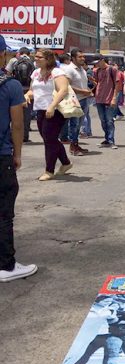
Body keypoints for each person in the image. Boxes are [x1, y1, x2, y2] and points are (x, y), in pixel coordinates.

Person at [0, 35, 38, 282]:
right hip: (1, 156)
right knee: (4, 213)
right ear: (3, 54)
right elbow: (17, 124)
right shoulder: (10, 85)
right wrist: (18, 154)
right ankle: (6, 265)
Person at [23, 49, 73, 181]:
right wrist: (27, 95)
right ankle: (66, 163)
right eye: (35, 56)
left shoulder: (57, 72)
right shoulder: (35, 73)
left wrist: (52, 105)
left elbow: (63, 90)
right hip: (40, 109)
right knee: (49, 139)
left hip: (55, 110)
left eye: (39, 57)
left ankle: (49, 170)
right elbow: (32, 90)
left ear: (48, 59)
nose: (36, 59)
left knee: (49, 140)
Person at [61, 48, 92, 156]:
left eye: (83, 57)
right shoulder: (69, 70)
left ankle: (75, 144)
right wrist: (82, 91)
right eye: (80, 57)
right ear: (73, 58)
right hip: (75, 100)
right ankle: (73, 147)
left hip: (84, 100)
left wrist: (87, 90)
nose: (82, 58)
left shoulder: (82, 70)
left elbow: (82, 84)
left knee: (79, 125)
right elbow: (67, 86)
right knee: (74, 124)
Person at [91, 55, 121, 149]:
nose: (96, 64)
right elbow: (97, 83)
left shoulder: (112, 70)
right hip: (99, 99)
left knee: (109, 120)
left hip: (109, 98)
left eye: (98, 62)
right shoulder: (97, 71)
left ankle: (111, 140)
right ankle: (107, 139)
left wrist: (114, 98)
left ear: (102, 60)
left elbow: (117, 84)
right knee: (103, 120)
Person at [7, 47, 34, 143]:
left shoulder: (14, 61)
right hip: (29, 89)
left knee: (13, 113)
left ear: (20, 53)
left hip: (16, 88)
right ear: (29, 54)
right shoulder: (33, 62)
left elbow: (8, 73)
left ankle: (11, 135)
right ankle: (25, 136)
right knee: (27, 114)